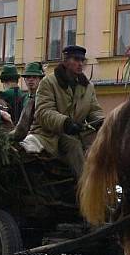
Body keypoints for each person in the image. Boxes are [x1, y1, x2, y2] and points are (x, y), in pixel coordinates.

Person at [23, 45, 104, 179]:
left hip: (77, 133)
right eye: (76, 59)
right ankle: (85, 186)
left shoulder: (88, 87)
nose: (80, 64)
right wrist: (65, 123)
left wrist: (102, 122)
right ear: (65, 61)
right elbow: (43, 112)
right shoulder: (48, 83)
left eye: (82, 60)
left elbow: (94, 110)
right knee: (73, 145)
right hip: (50, 135)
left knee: (102, 144)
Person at [10, 61, 44, 142]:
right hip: (24, 135)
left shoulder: (44, 98)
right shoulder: (23, 98)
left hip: (38, 136)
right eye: (28, 77)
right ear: (24, 80)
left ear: (40, 79)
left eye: (34, 77)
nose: (31, 80)